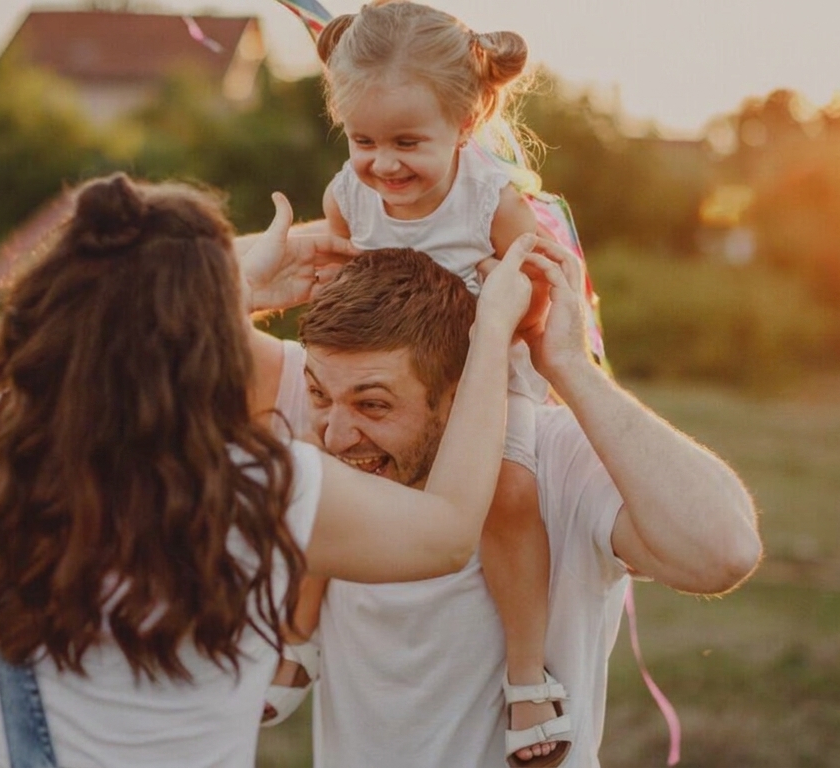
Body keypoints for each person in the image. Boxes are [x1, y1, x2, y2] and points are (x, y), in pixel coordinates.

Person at [0, 173, 539, 768]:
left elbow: (113, 319)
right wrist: (489, 333)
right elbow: (449, 530)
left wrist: (228, 288)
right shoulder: (245, 490)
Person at [246, 225, 762, 767]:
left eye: (374, 406)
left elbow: (723, 554)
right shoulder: (330, 404)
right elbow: (151, 334)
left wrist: (570, 367)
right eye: (319, 395)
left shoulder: (552, 454)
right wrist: (255, 280)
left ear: (461, 391)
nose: (334, 434)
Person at [268, 4, 568, 762]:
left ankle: (525, 676)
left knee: (507, 494)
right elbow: (343, 249)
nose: (383, 164)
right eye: (364, 140)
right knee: (321, 472)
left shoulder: (491, 201)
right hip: (383, 372)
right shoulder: (350, 191)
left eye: (407, 142)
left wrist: (507, 305)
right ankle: (298, 635)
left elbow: (535, 287)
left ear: (466, 125)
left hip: (485, 365)